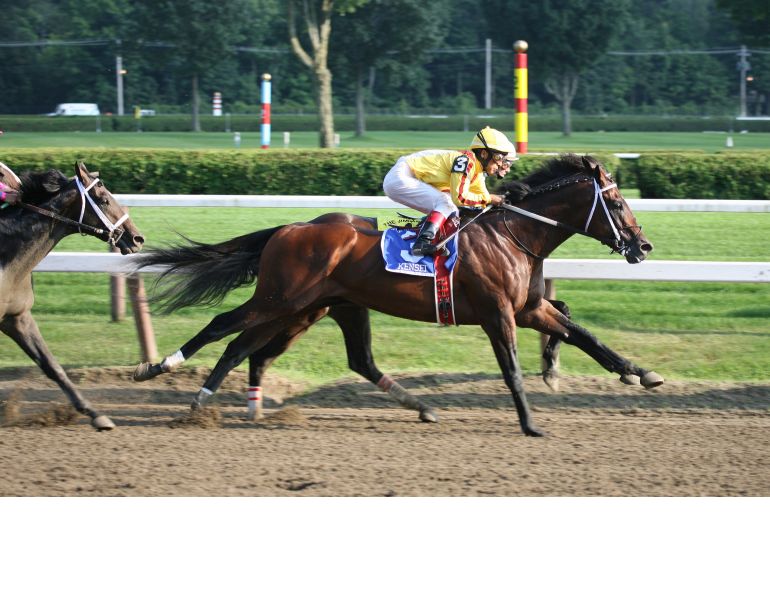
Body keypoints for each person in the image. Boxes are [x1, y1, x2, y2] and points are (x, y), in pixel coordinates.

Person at [383, 126, 517, 256]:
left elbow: (481, 201)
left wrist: (505, 200)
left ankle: (430, 236)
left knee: (450, 206)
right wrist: (490, 198)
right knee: (447, 202)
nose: (500, 165)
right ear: (483, 153)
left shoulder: (477, 173)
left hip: (409, 176)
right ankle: (422, 243)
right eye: (499, 158)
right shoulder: (466, 162)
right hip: (401, 176)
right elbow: (461, 198)